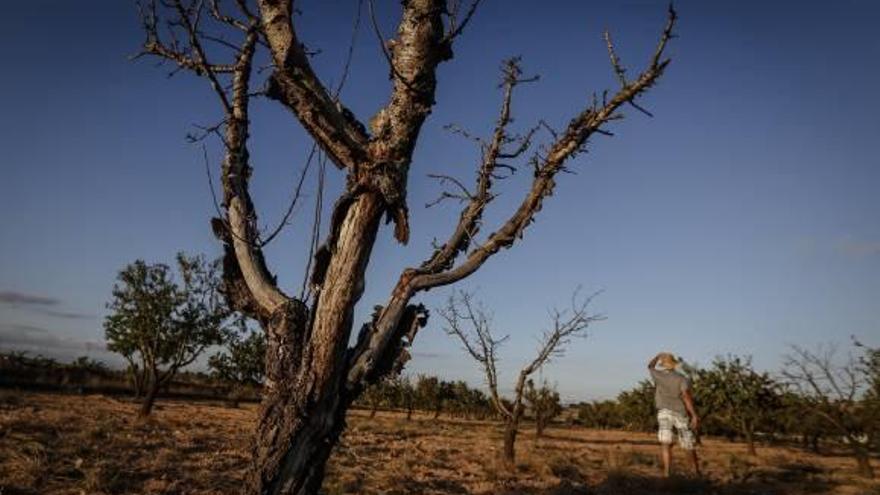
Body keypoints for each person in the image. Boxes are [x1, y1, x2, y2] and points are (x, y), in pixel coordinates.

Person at [648, 352, 701, 477]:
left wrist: (657, 356)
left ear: (663, 365)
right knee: (688, 444)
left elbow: (650, 366)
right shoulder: (682, 379)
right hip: (680, 412)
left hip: (664, 412)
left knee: (666, 444)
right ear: (674, 365)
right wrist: (694, 415)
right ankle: (695, 472)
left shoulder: (658, 375)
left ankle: (667, 474)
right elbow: (686, 397)